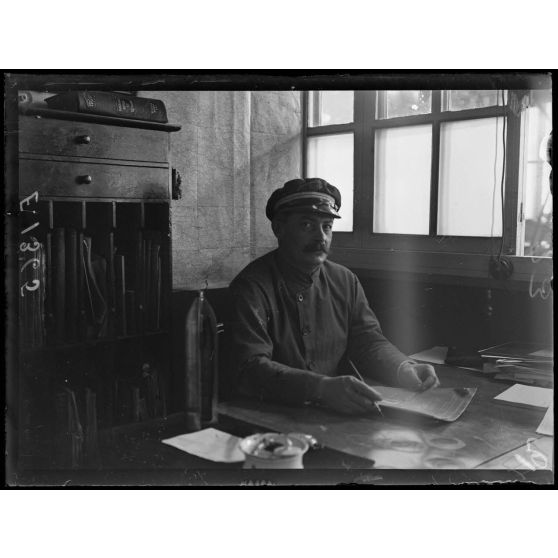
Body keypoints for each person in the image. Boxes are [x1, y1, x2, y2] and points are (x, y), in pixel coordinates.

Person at [229, 178, 440, 415]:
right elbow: (250, 367)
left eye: (327, 226)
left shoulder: (344, 280)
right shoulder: (252, 287)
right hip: (268, 414)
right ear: (279, 228)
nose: (321, 237)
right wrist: (320, 388)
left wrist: (403, 368)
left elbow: (367, 340)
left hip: (334, 411)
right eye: (307, 225)